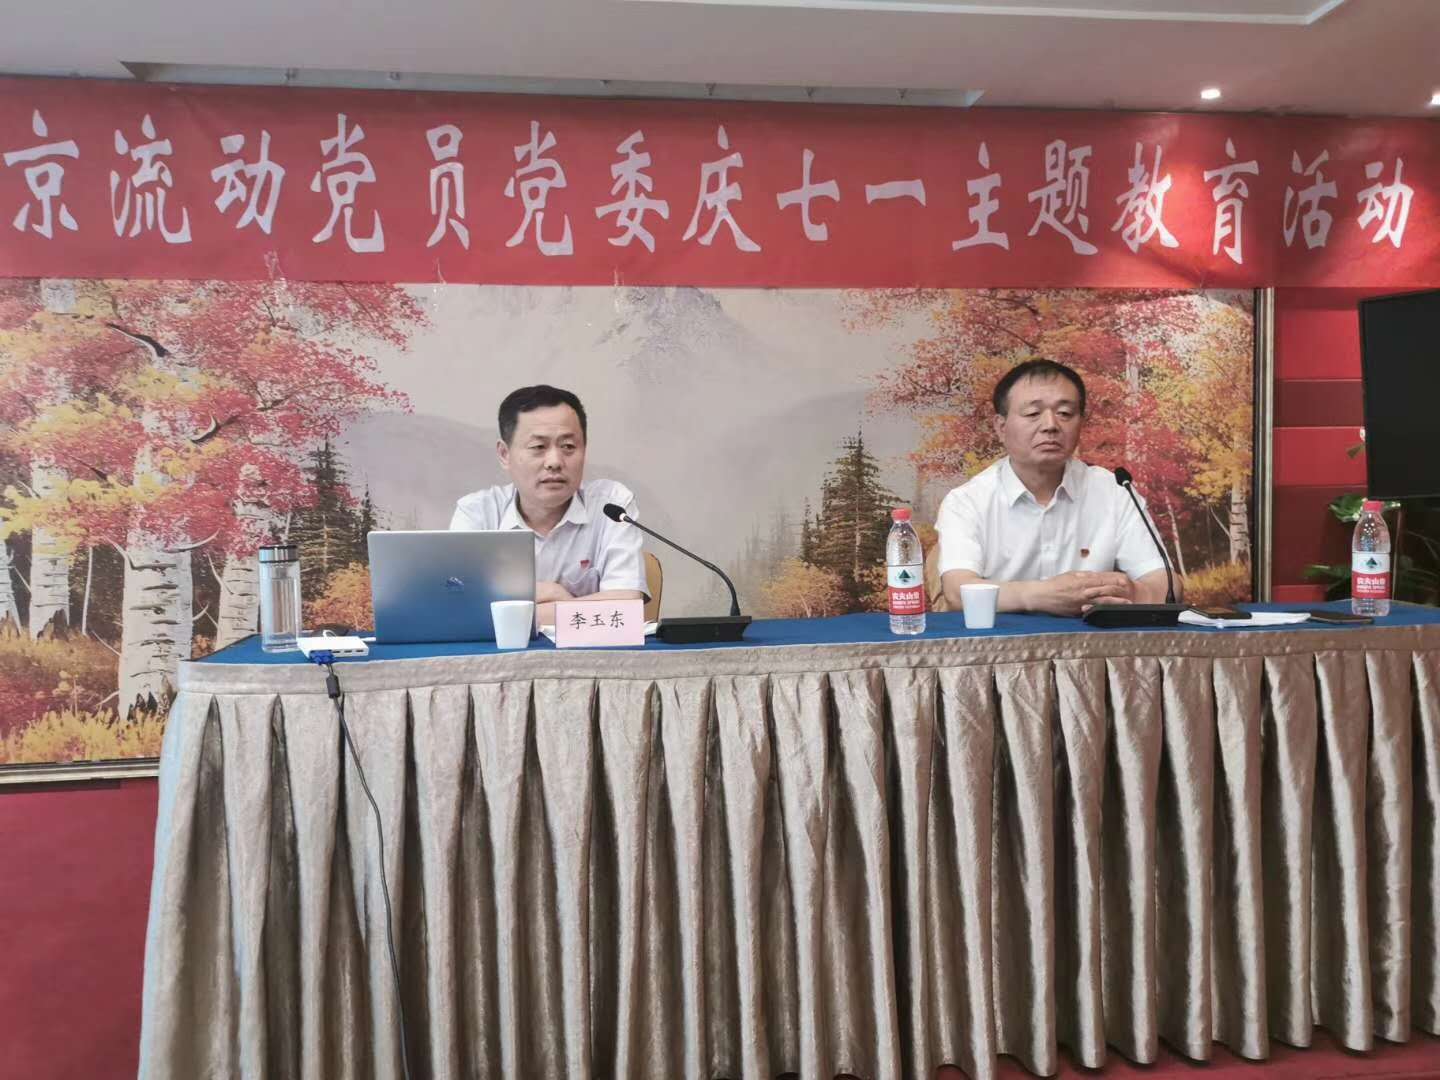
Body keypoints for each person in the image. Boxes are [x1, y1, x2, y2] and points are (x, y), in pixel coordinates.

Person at [936, 358, 1179, 616]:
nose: (1051, 425)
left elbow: (1168, 585)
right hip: (1002, 641)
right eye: (1033, 414)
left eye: (1065, 413)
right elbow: (957, 593)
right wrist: (1042, 596)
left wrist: (1134, 593)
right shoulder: (967, 501)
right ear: (1001, 427)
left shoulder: (1115, 491)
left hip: (1093, 641)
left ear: (1080, 423)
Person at [450, 384, 646, 626]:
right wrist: (558, 598)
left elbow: (627, 609)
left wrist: (520, 612)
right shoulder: (477, 512)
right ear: (504, 454)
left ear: (584, 450)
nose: (554, 462)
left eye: (568, 447)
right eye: (538, 447)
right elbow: (459, 611)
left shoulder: (611, 507)